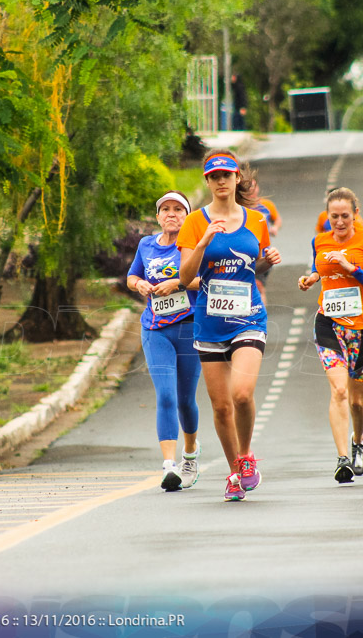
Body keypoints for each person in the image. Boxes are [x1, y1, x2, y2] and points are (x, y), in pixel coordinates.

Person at [177, 150, 282, 502]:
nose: (221, 181)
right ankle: (235, 470)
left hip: (249, 317)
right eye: (214, 176)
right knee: (221, 406)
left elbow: (256, 266)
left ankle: (247, 456)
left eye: (227, 175)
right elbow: (184, 277)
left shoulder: (256, 220)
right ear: (207, 181)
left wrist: (268, 261)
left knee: (241, 394)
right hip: (209, 322)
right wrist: (204, 241)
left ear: (238, 179)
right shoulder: (194, 222)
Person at [298, 187, 363, 483]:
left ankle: (358, 440)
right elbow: (319, 268)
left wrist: (352, 268)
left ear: (355, 215)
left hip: (362, 329)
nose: (338, 222)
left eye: (344, 216)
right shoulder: (320, 241)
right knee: (338, 390)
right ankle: (342, 459)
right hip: (329, 324)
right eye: (333, 216)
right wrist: (311, 278)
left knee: (357, 401)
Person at [127, 191, 203, 492]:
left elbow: (204, 278)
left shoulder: (193, 245)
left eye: (178, 210)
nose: (171, 214)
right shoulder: (146, 245)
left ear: (187, 215)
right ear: (158, 216)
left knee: (185, 400)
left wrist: (178, 282)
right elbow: (131, 277)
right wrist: (140, 284)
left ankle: (190, 453)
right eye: (165, 210)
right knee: (167, 396)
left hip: (189, 328)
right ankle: (169, 466)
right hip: (156, 330)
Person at [239, 164, 282, 302]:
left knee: (258, 286)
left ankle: (261, 313)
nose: (252, 190)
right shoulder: (239, 208)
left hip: (263, 254)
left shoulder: (266, 205)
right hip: (243, 255)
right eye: (248, 187)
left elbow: (278, 219)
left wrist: (275, 228)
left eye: (254, 186)